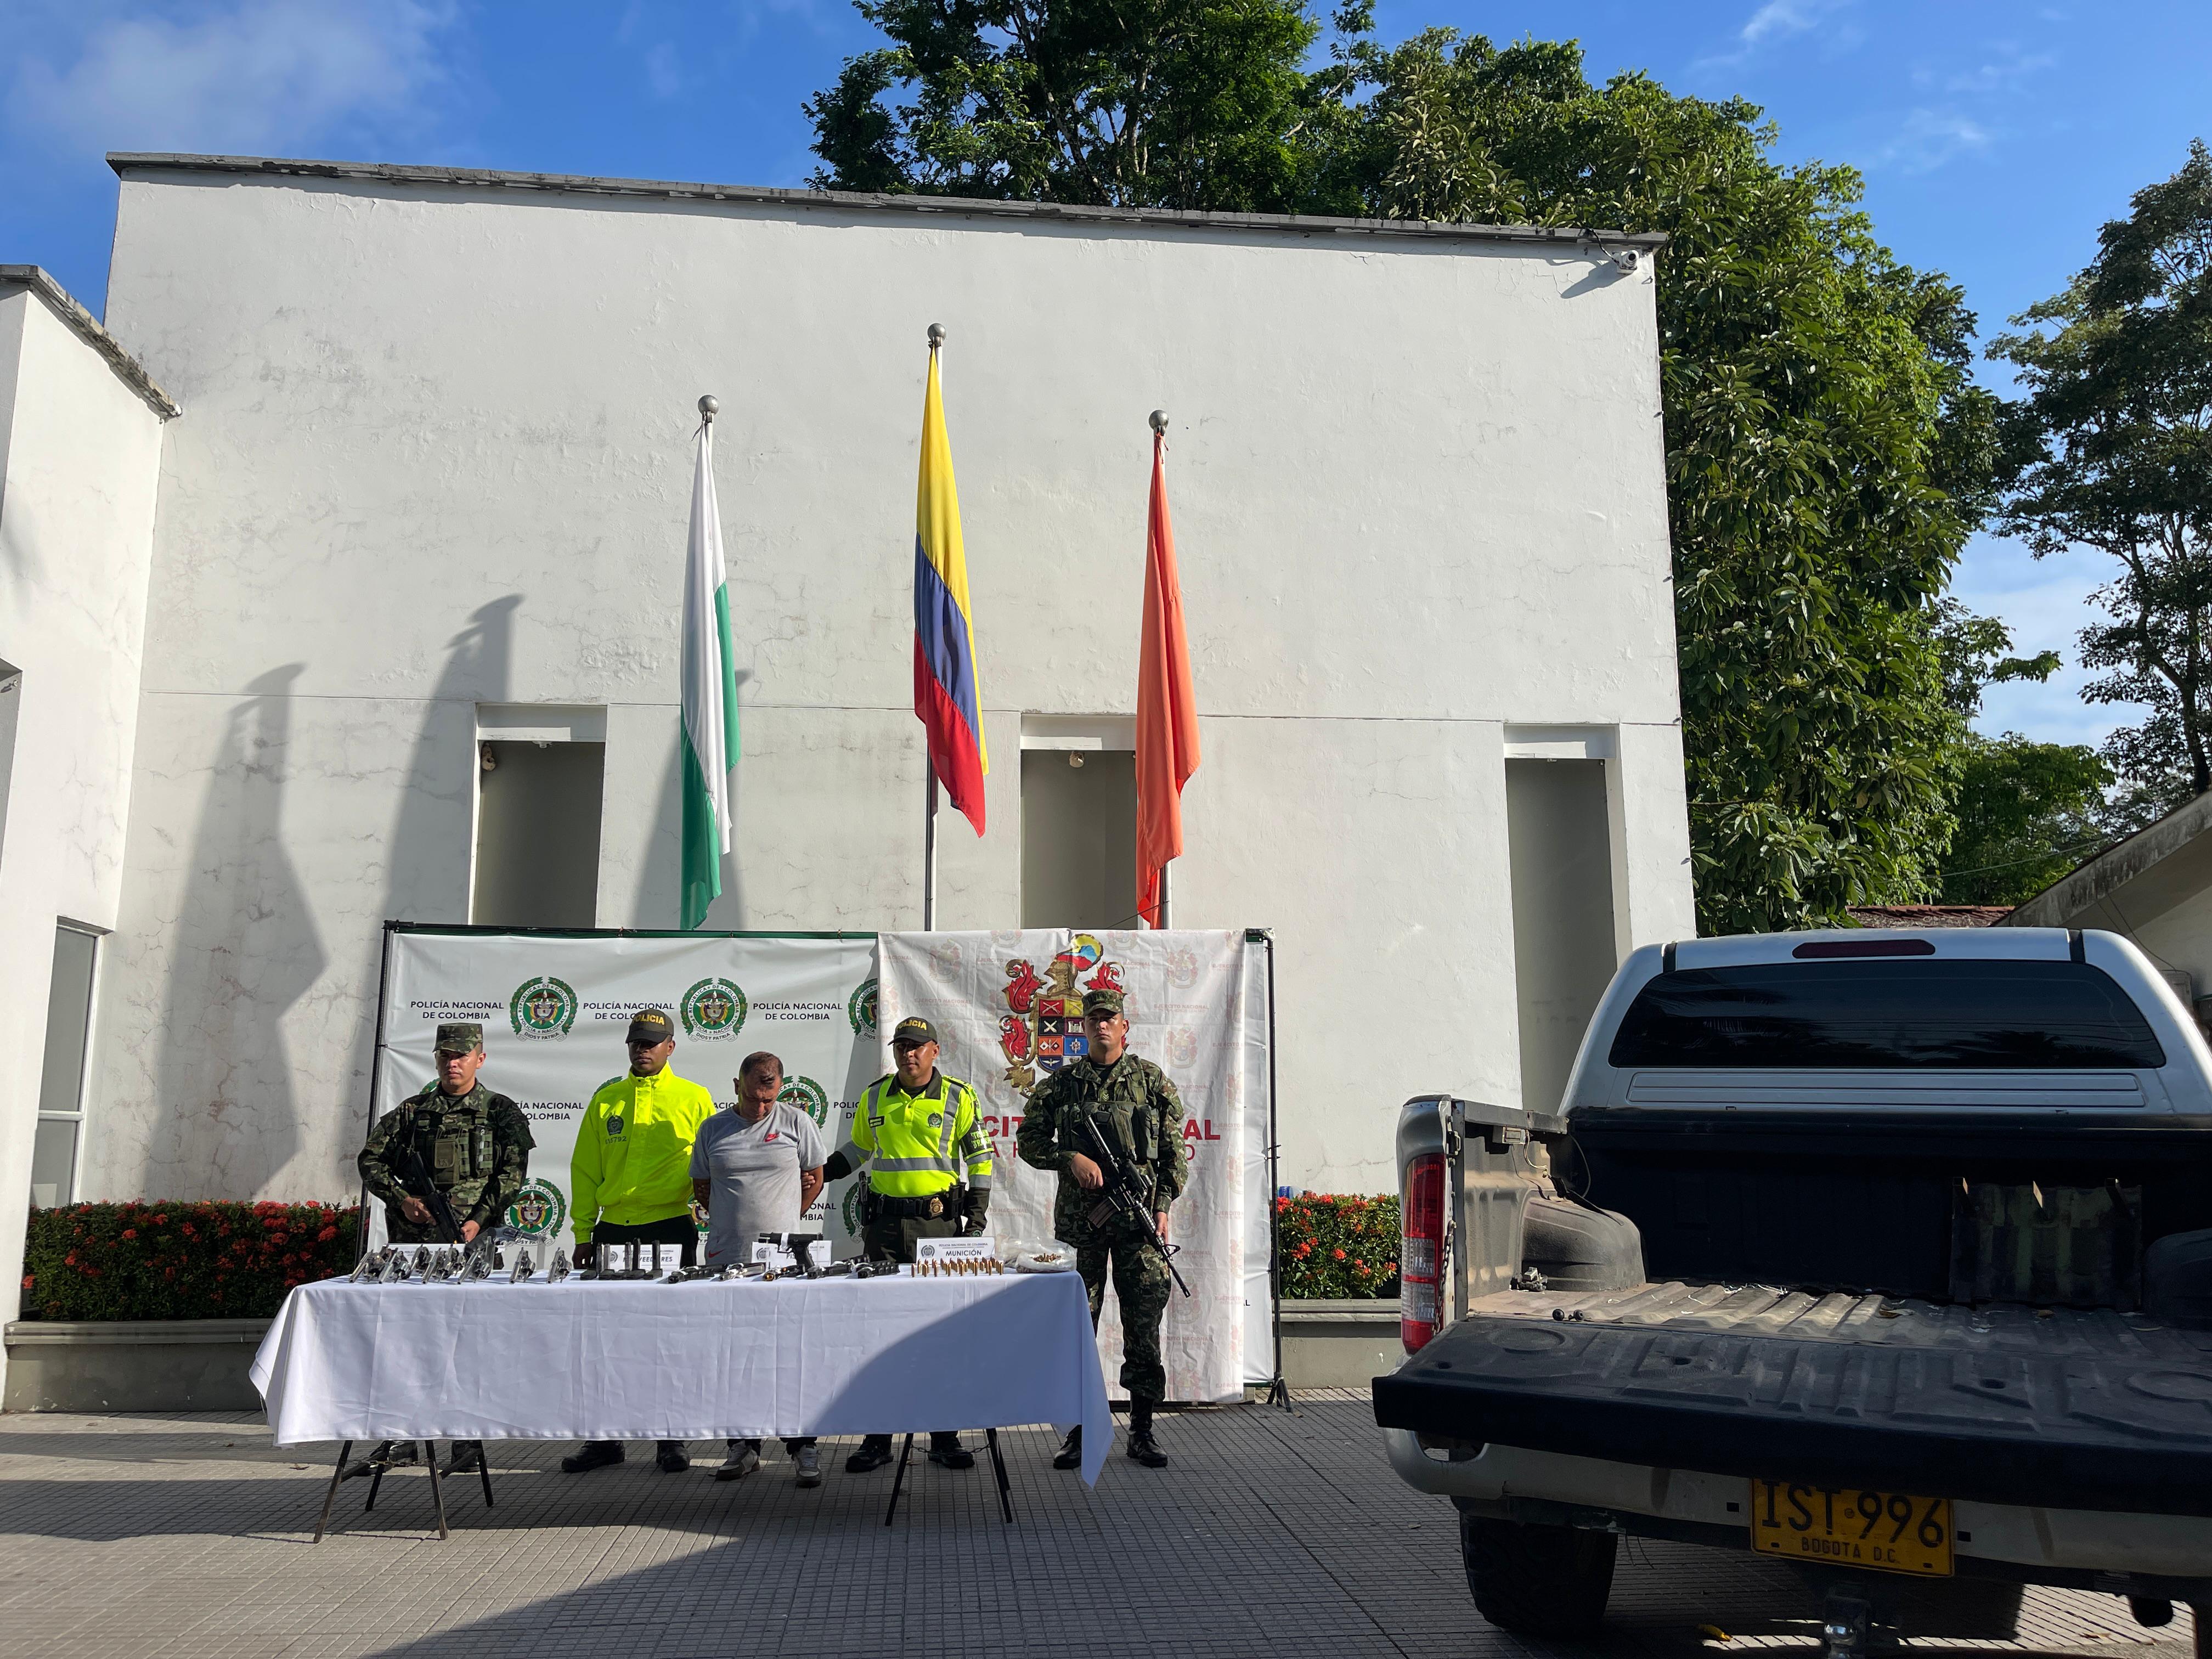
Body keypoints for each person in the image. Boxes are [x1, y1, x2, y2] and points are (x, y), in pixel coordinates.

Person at [1017, 986, 1187, 1471]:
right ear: (1084, 1027)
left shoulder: (1152, 1082)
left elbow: (1176, 1157)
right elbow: (1029, 1141)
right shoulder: (1061, 1085)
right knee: (1076, 1326)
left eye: (1109, 1017)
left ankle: (1143, 1429)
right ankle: (1078, 1431)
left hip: (1138, 1225)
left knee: (1143, 1325)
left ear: (1124, 1025)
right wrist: (1069, 1157)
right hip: (1081, 1225)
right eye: (1093, 1019)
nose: (1101, 1025)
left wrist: (1163, 1203)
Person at [353, 1020, 533, 1478]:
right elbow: (369, 1161)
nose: (453, 1063)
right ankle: (404, 1436)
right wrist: (403, 1202)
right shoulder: (412, 1113)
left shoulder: (500, 1112)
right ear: (436, 1060)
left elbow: (511, 1176)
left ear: (480, 1058)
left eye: (461, 1055)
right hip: (416, 1250)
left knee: (467, 1340)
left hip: (471, 1245)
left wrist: (479, 1220)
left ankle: (466, 1437)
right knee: (408, 1341)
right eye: (445, 1056)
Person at [821, 1015, 994, 1473]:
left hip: (936, 1230)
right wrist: (822, 1173)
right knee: (878, 1333)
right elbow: (859, 1150)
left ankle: (944, 1437)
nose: (908, 1054)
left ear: (935, 1050)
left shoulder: (959, 1096)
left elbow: (979, 1155)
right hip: (883, 1232)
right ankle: (877, 1440)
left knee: (938, 1334)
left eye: (917, 1046)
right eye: (901, 1046)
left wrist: (975, 1220)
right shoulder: (875, 1095)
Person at [561, 1007, 716, 1476]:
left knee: (671, 1337)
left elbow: (713, 1167)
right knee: (607, 1339)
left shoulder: (695, 1098)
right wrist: (585, 1232)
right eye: (636, 1042)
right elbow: (585, 1171)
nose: (642, 1049)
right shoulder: (607, 1100)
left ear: (671, 1046)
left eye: (652, 1042)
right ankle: (605, 1438)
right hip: (613, 1230)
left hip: (670, 1227)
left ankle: (672, 1438)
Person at [691, 1049, 828, 1487]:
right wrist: (732, 1226)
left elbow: (816, 1177)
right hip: (726, 1259)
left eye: (769, 1099)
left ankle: (802, 1445)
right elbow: (701, 1185)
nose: (762, 1108)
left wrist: (786, 1225)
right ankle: (742, 1446)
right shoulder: (713, 1129)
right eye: (753, 1099)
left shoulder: (796, 1123)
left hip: (783, 1264)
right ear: (737, 1086)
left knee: (791, 1354)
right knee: (735, 1357)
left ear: (780, 1089)